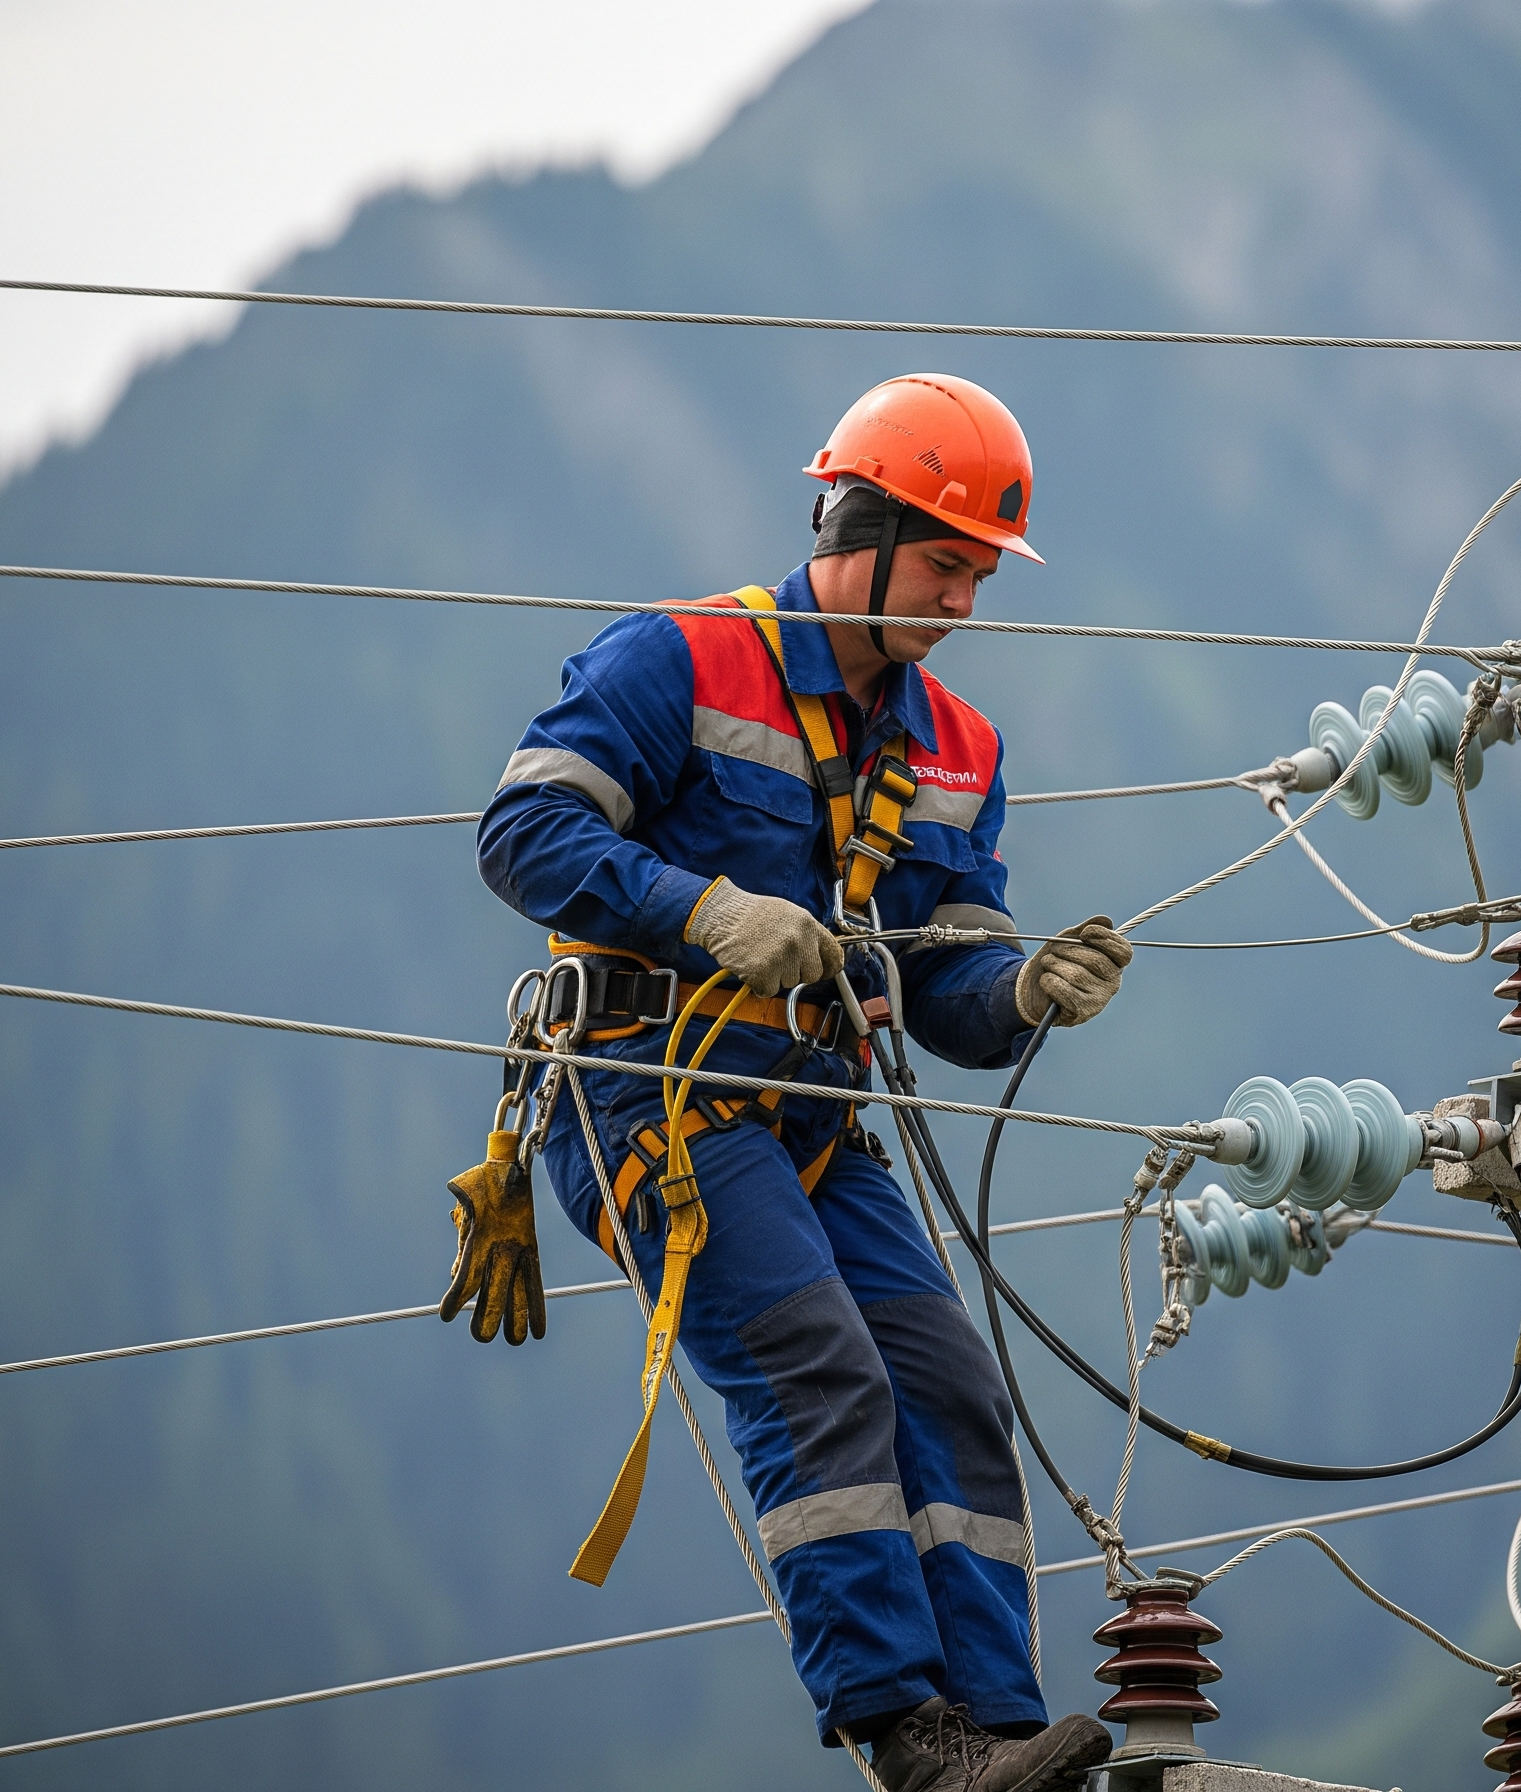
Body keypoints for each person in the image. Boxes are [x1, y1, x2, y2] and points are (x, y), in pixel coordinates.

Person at [473, 374, 1133, 1792]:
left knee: (950, 1386)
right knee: (818, 1369)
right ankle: (909, 1738)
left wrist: (1020, 991)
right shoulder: (681, 660)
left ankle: (1002, 1733)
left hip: (821, 1122)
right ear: (855, 520)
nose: (964, 600)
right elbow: (524, 831)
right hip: (650, 1091)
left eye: (979, 574)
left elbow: (949, 986)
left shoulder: (962, 751)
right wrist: (704, 911)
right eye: (946, 563)